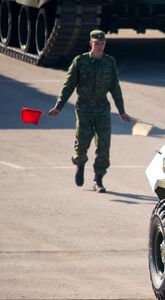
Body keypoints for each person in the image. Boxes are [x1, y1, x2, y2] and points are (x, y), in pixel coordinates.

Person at [48, 29, 131, 193]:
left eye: (102, 44)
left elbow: (115, 88)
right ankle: (80, 165)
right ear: (91, 44)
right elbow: (68, 86)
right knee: (82, 141)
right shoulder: (80, 61)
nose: (100, 47)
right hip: (84, 107)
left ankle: (98, 179)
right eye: (97, 44)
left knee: (104, 145)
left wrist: (122, 111)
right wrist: (59, 106)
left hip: (102, 108)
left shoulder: (110, 62)